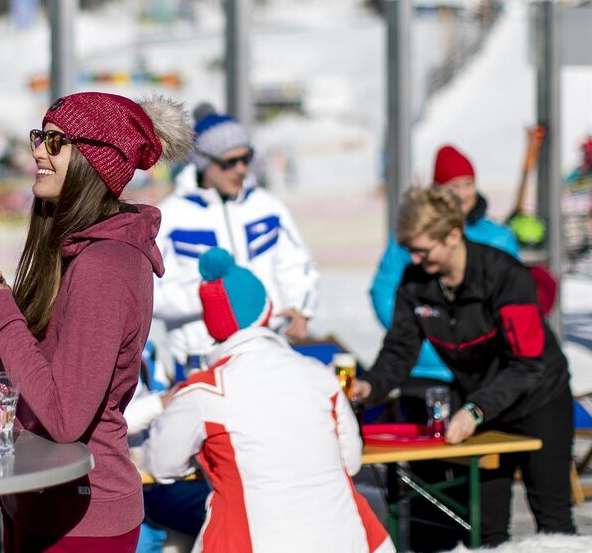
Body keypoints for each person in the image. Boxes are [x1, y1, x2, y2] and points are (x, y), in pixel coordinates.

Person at [0, 92, 192, 552]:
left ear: (94, 159)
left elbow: (64, 419)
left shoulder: (103, 265)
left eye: (56, 141)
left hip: (83, 516)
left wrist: (0, 311)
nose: (38, 150)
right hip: (40, 501)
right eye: (40, 136)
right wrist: (10, 310)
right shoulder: (81, 252)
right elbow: (46, 375)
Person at [350, 186, 575, 549]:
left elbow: (528, 363)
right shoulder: (416, 283)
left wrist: (475, 410)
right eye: (410, 251)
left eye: (424, 250)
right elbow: (399, 350)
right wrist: (370, 385)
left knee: (552, 517)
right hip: (484, 407)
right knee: (485, 525)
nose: (417, 260)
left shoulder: (504, 275)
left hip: (538, 399)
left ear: (454, 235)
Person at [146, 248, 393, 553]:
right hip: (352, 541)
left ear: (213, 327)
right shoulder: (319, 376)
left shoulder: (205, 391)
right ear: (267, 311)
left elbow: (161, 465)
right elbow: (351, 461)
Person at [155, 103, 318, 384]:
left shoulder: (267, 206)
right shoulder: (170, 215)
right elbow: (151, 293)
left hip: (268, 351)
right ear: (204, 162)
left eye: (247, 158)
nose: (241, 169)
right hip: (200, 361)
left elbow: (297, 265)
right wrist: (217, 295)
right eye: (229, 162)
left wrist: (300, 308)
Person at [369, 144, 519, 422]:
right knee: (429, 457)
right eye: (454, 186)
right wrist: (421, 332)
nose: (462, 193)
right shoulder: (414, 237)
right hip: (427, 369)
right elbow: (383, 290)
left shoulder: (498, 237)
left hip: (483, 370)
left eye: (468, 184)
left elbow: (514, 302)